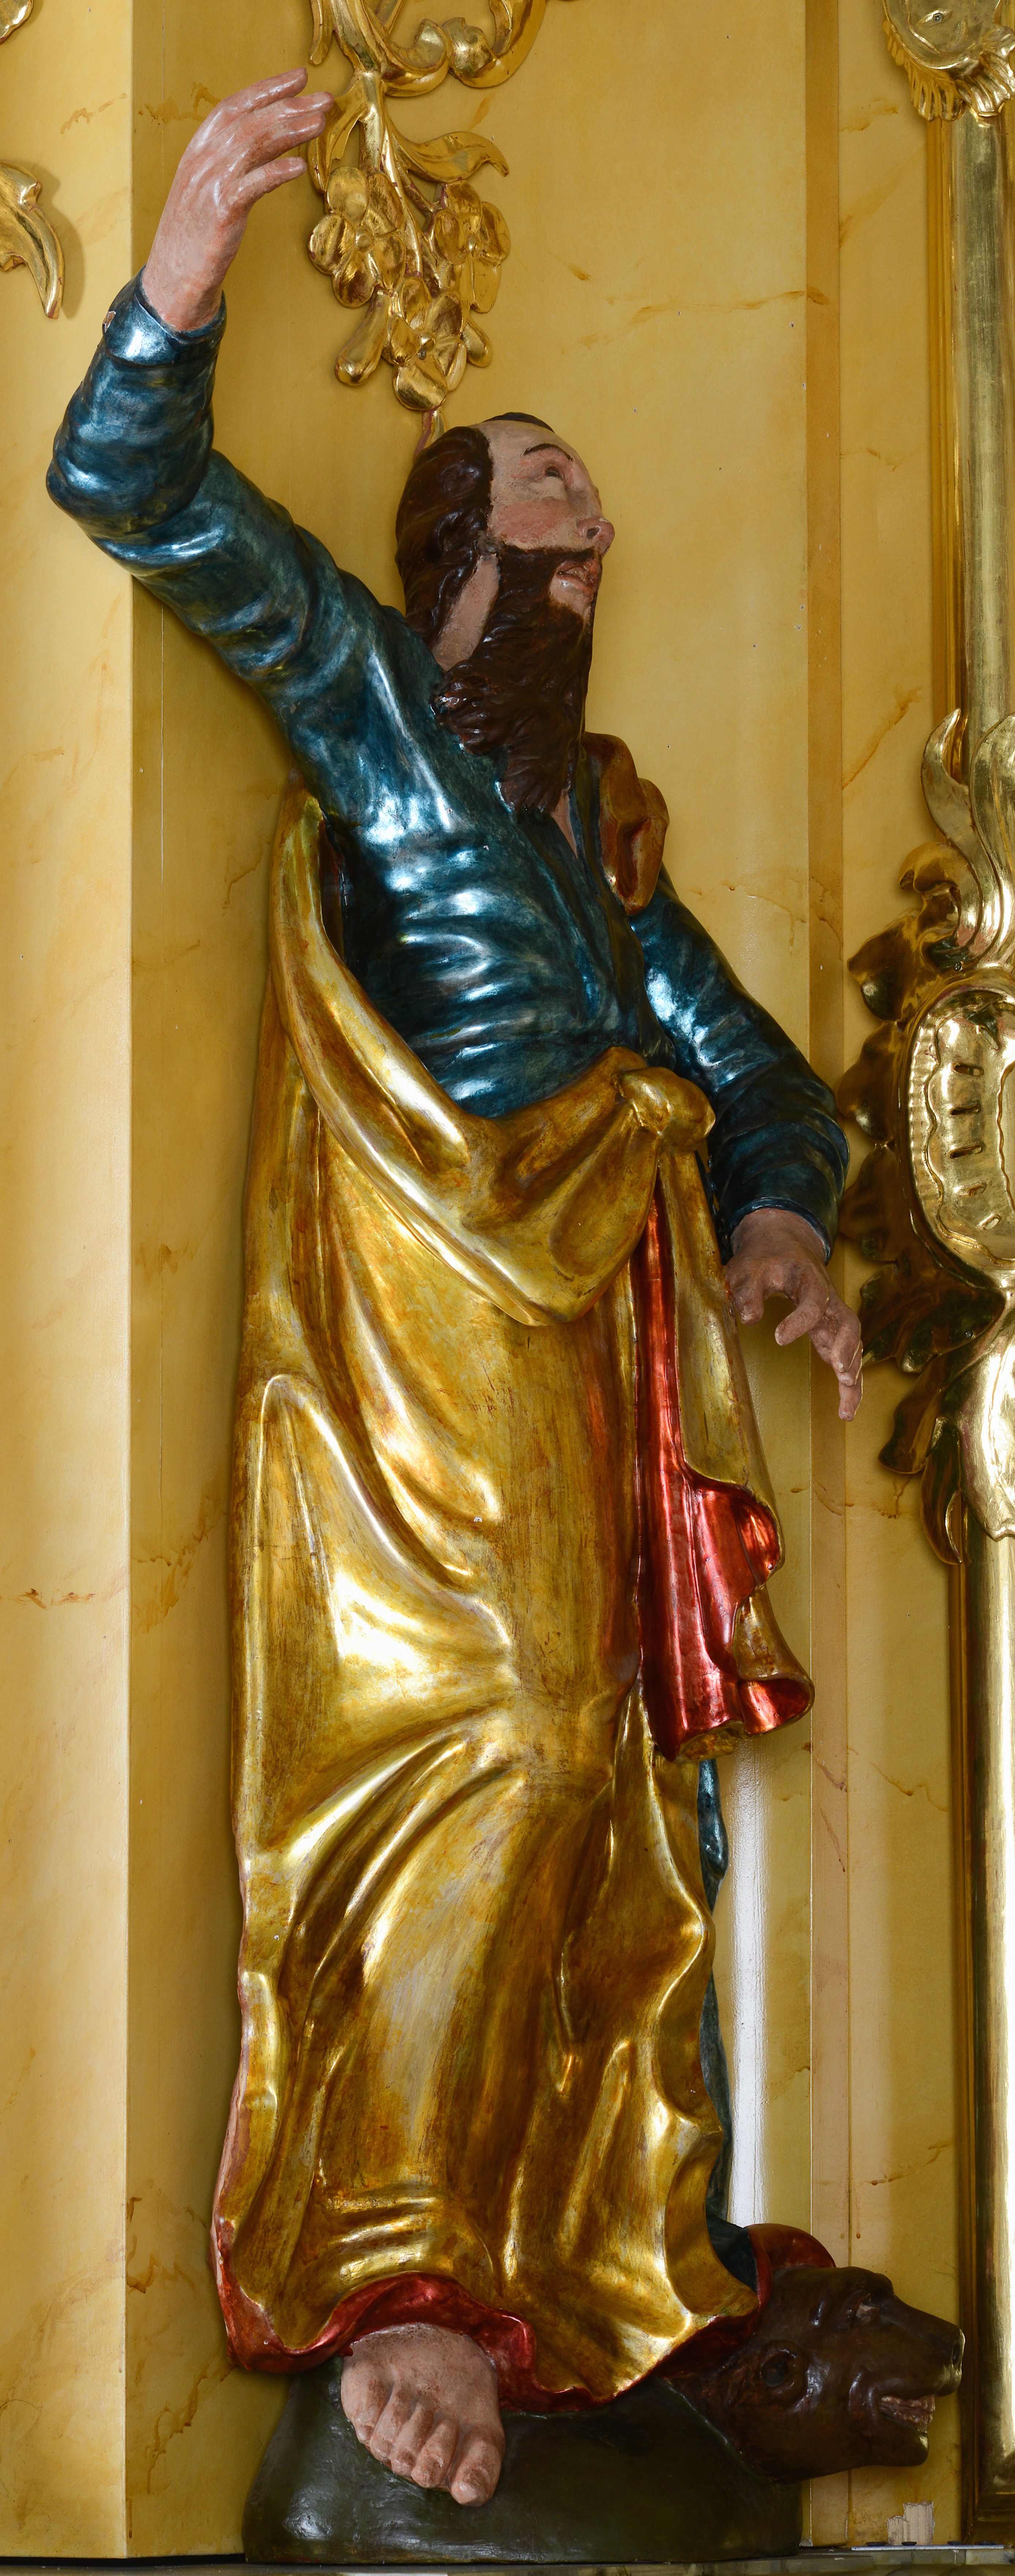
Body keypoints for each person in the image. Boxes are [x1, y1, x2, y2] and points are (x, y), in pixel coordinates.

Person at [48, 72, 861, 2514]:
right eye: (533, 478)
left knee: (614, 1792)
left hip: (600, 1322)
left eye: (584, 486)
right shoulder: (387, 709)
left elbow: (750, 1066)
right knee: (483, 1739)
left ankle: (565, 2270)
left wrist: (782, 1212)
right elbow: (134, 489)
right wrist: (183, 267)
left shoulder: (598, 831)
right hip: (424, 1316)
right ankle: (400, 2269)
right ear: (460, 551)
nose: (578, 501)